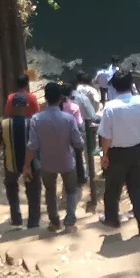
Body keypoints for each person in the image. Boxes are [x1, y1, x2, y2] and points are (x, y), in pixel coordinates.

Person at [98, 71, 140, 235]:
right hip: (139, 150)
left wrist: (104, 155)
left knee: (113, 188)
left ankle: (112, 219)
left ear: (114, 87)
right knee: (138, 189)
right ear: (131, 84)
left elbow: (106, 136)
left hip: (117, 153)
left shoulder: (110, 107)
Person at [26, 81, 85, 231]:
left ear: (45, 98)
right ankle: (70, 219)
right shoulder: (68, 119)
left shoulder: (36, 119)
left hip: (47, 162)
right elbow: (77, 142)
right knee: (71, 191)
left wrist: (26, 166)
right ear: (60, 98)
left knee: (50, 191)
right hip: (66, 161)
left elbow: (32, 145)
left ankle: (54, 221)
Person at [0, 93, 39, 228]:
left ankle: (16, 217)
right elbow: (37, 144)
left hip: (10, 163)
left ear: (12, 106)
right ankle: (33, 221)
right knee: (33, 191)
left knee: (11, 187)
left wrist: (6, 143)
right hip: (30, 164)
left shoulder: (4, 124)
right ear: (26, 106)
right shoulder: (31, 123)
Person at [61, 82, 90, 186]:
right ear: (70, 93)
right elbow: (79, 124)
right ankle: (80, 179)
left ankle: (67, 181)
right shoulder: (73, 106)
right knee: (78, 157)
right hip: (73, 135)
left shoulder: (58, 106)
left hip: (61, 136)